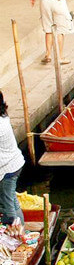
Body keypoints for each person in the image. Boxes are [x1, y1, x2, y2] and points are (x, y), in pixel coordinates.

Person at [0, 92, 25, 226]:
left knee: (7, 205)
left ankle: (14, 236)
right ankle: (21, 229)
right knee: (12, 200)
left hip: (7, 169)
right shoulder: (3, 116)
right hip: (14, 163)